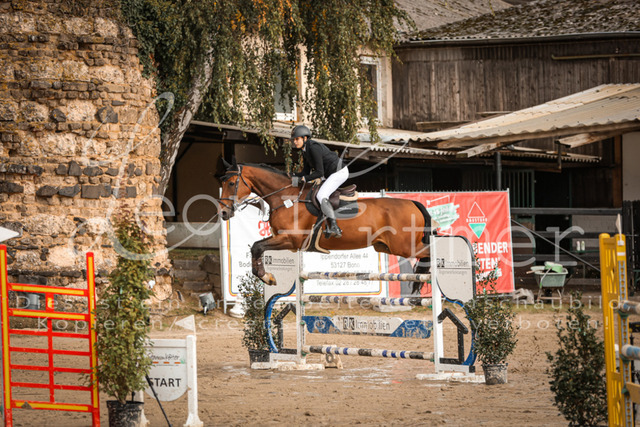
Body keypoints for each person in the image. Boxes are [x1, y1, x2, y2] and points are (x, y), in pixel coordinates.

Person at [290, 125, 349, 238]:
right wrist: (291, 175)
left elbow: (319, 172)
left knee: (321, 195)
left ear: (305, 138)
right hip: (329, 174)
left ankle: (335, 227)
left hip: (339, 172)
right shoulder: (305, 150)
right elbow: (305, 172)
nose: (295, 142)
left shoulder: (313, 148)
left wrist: (304, 179)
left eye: (297, 139)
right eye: (294, 139)